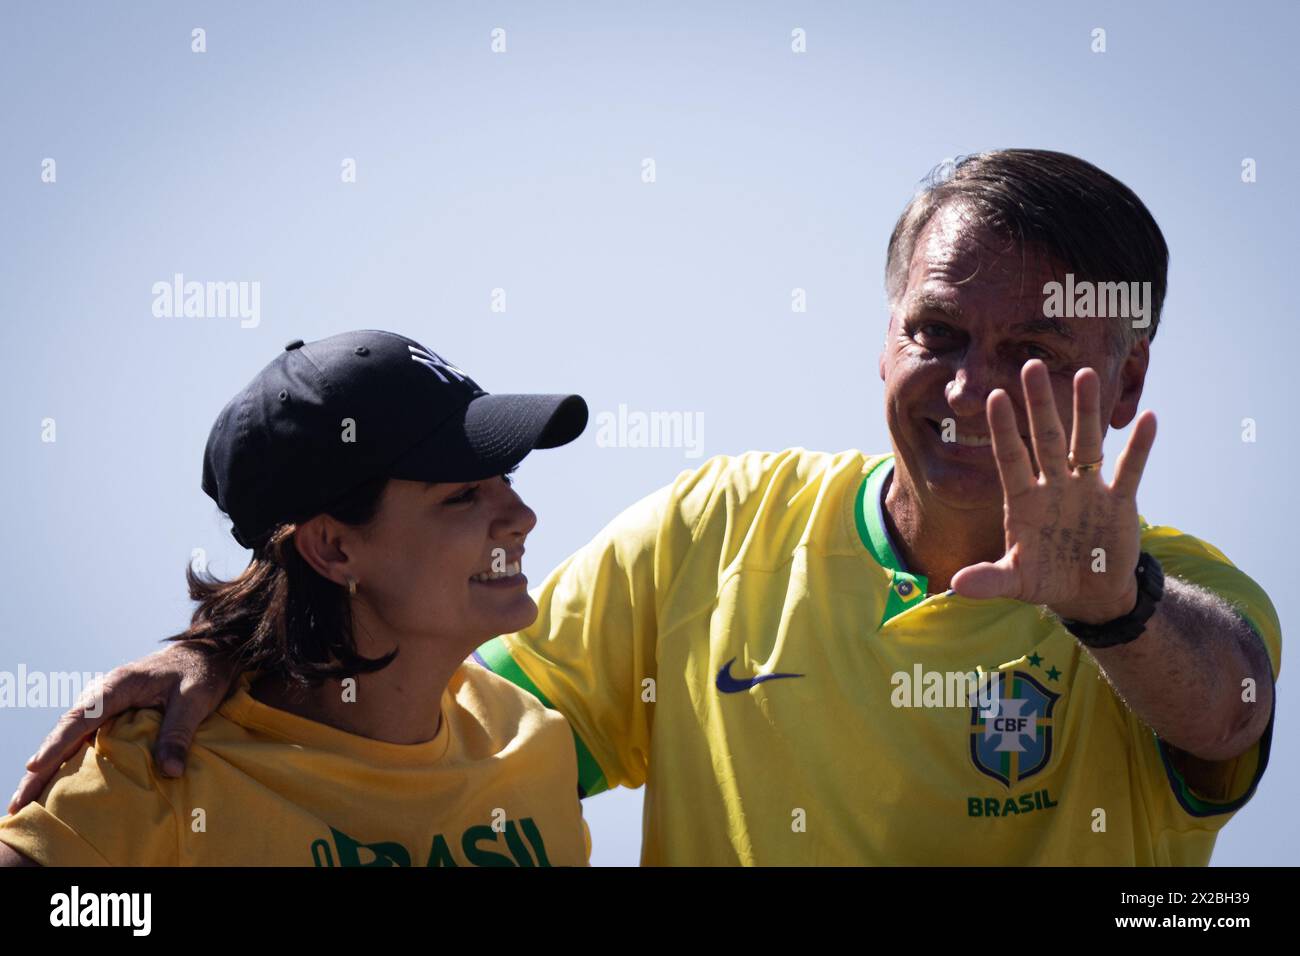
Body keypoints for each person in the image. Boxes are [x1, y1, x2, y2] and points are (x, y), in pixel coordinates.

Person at [11, 151, 1282, 866]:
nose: (970, 386)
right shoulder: (718, 528)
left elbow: (1228, 709)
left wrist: (1113, 610)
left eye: (1035, 347)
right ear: (882, 342)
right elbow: (426, 715)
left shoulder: (1175, 595)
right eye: (936, 332)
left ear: (1126, 380)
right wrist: (224, 646)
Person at [0, 330, 592, 866]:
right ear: (333, 548)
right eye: (463, 495)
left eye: (506, 479)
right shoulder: (153, 777)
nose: (523, 518)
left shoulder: (534, 744)